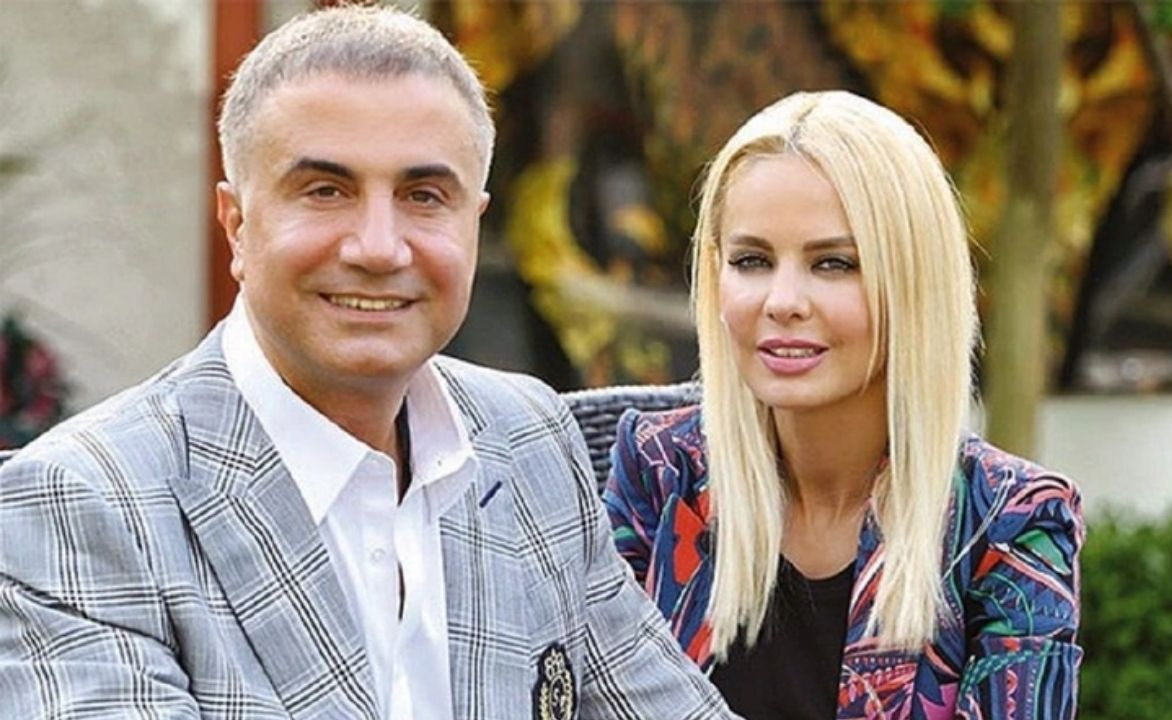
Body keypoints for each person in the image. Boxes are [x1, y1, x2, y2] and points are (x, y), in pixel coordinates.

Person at [0, 7, 736, 719]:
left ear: (473, 225)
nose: (379, 248)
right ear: (237, 225)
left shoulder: (529, 440)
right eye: (326, 191)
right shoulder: (83, 506)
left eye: (424, 195)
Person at [604, 91, 1084, 719]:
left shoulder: (1011, 523)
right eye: (752, 261)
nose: (783, 301)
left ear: (913, 283)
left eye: (834, 263)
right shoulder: (662, 474)